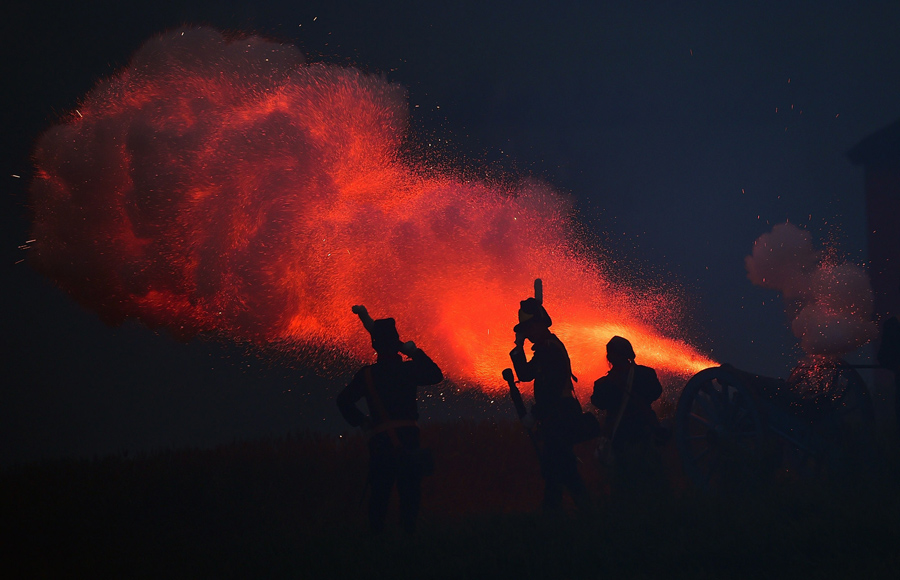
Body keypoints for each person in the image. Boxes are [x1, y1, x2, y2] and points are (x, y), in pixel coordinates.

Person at [337, 306, 444, 535]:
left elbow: (343, 401)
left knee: (379, 496)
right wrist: (413, 351)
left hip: (381, 441)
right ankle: (408, 544)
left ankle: (377, 547)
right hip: (409, 439)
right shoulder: (408, 370)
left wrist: (363, 422)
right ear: (397, 343)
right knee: (410, 496)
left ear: (375, 346)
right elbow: (436, 375)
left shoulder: (367, 375)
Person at [509, 297, 590, 512]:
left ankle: (558, 518)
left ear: (539, 324)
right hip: (556, 416)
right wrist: (518, 347)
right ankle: (580, 514)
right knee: (562, 470)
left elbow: (550, 392)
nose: (527, 333)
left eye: (528, 328)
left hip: (559, 415)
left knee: (558, 470)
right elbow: (525, 375)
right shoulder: (545, 349)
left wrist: (534, 415)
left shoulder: (549, 350)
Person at [590, 336, 664, 491]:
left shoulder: (604, 384)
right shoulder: (647, 374)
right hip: (645, 433)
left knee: (623, 485)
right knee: (651, 483)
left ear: (610, 356)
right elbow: (656, 392)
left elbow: (598, 402)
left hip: (620, 438)